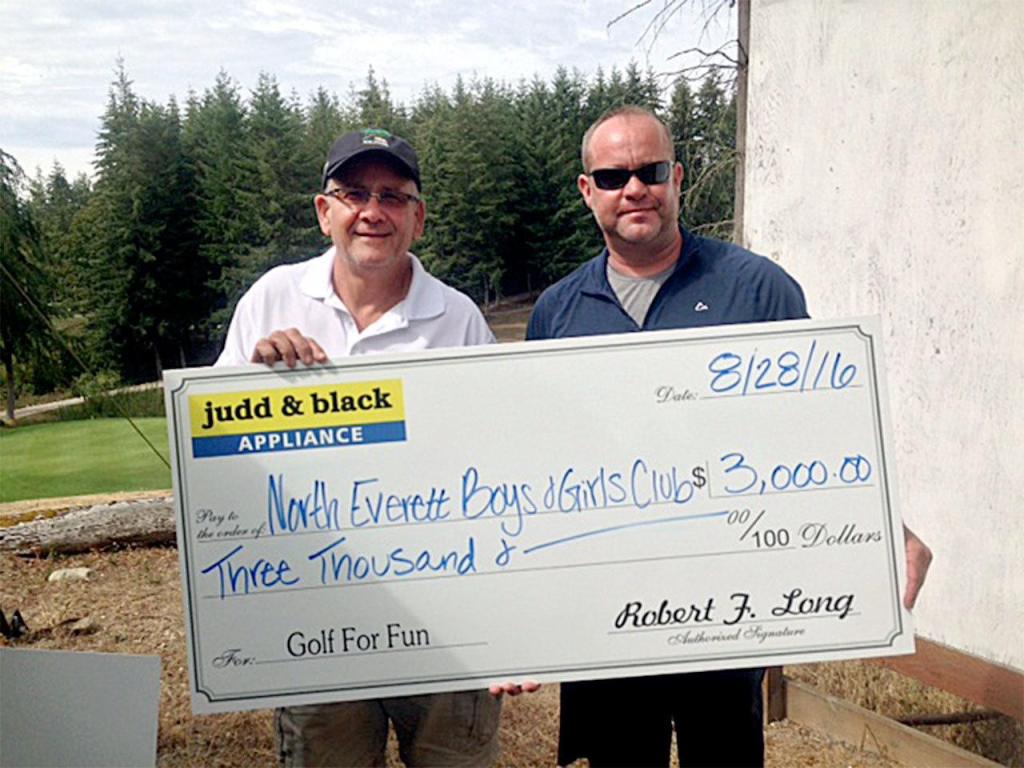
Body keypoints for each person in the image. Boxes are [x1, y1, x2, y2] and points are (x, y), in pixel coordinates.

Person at [526, 105, 933, 768]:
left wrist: (883, 521)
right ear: (586, 189)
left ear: (677, 178)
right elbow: (536, 461)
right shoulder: (556, 312)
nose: (634, 188)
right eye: (613, 175)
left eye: (651, 171)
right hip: (611, 611)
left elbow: (818, 431)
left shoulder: (758, 290)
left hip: (726, 608)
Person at [216, 128, 502, 767]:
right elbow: (215, 452)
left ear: (418, 219)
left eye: (393, 196)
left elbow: (504, 464)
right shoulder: (271, 300)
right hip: (315, 613)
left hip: (444, 617)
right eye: (353, 193)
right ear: (325, 211)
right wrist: (252, 385)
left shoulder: (458, 320)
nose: (373, 211)